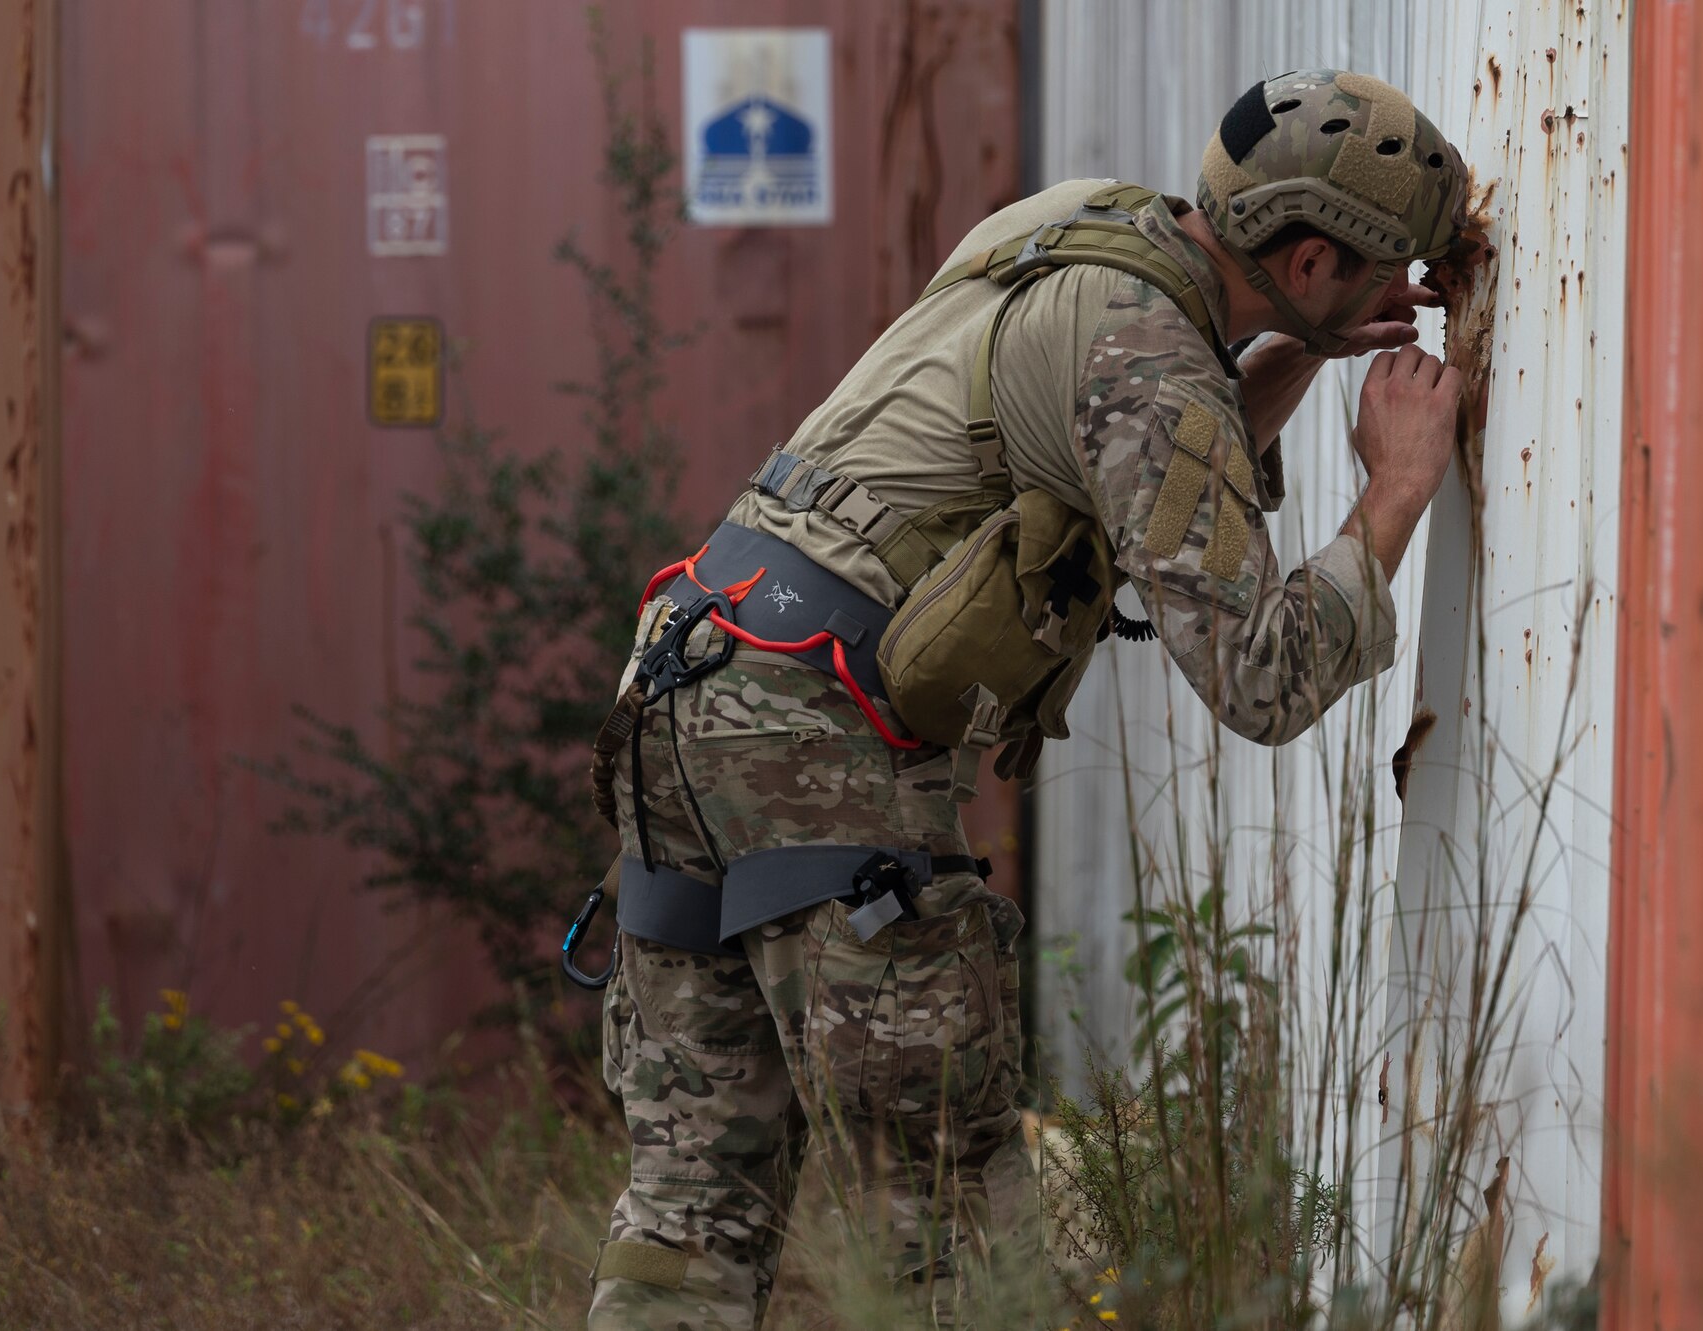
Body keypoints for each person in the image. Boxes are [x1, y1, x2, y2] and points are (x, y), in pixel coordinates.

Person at [582, 68, 1470, 1329]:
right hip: (808, 740)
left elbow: (1113, 438)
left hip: (683, 682)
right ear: (1311, 252)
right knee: (944, 1222)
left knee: (692, 1199)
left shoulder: (1074, 222)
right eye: (1389, 275)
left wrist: (1280, 361)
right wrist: (1392, 490)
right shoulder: (1152, 360)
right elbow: (1259, 679)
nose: (1404, 304)